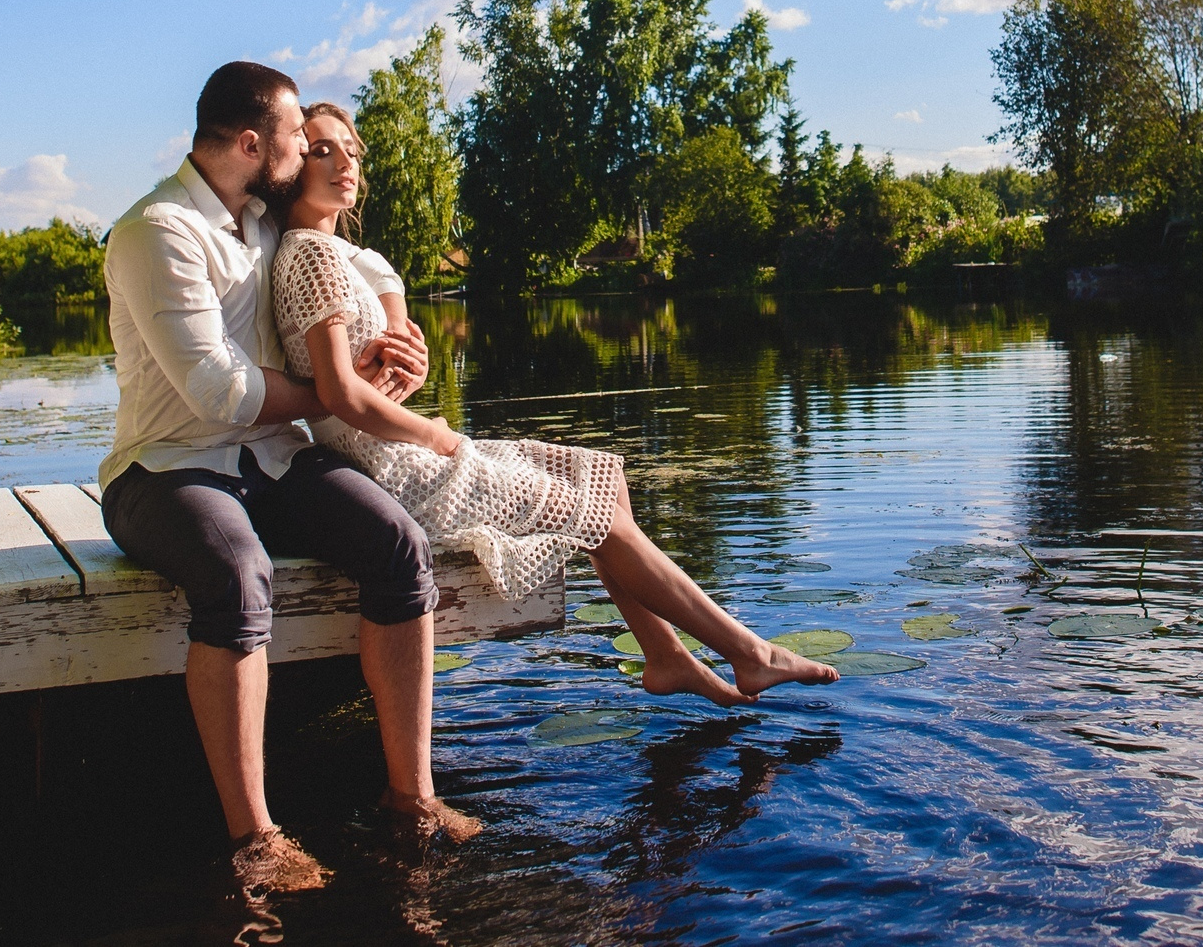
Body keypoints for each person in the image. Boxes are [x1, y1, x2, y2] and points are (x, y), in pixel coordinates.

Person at [270, 100, 842, 708]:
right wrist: (435, 436)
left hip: (402, 449)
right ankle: (750, 653)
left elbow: (363, 378)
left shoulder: (339, 259)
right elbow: (336, 393)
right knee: (590, 512)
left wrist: (405, 369)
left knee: (604, 477)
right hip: (396, 468)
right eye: (323, 151)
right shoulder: (309, 253)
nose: (345, 164)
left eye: (352, 151)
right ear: (293, 166)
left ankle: (666, 655)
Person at [97, 61, 462, 898]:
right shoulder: (156, 229)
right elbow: (217, 391)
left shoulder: (260, 218)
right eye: (299, 135)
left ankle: (413, 796)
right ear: (254, 143)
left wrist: (402, 339)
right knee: (238, 572)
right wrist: (342, 392)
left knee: (399, 546)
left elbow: (351, 257)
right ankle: (254, 837)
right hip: (165, 467)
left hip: (271, 454)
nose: (308, 148)